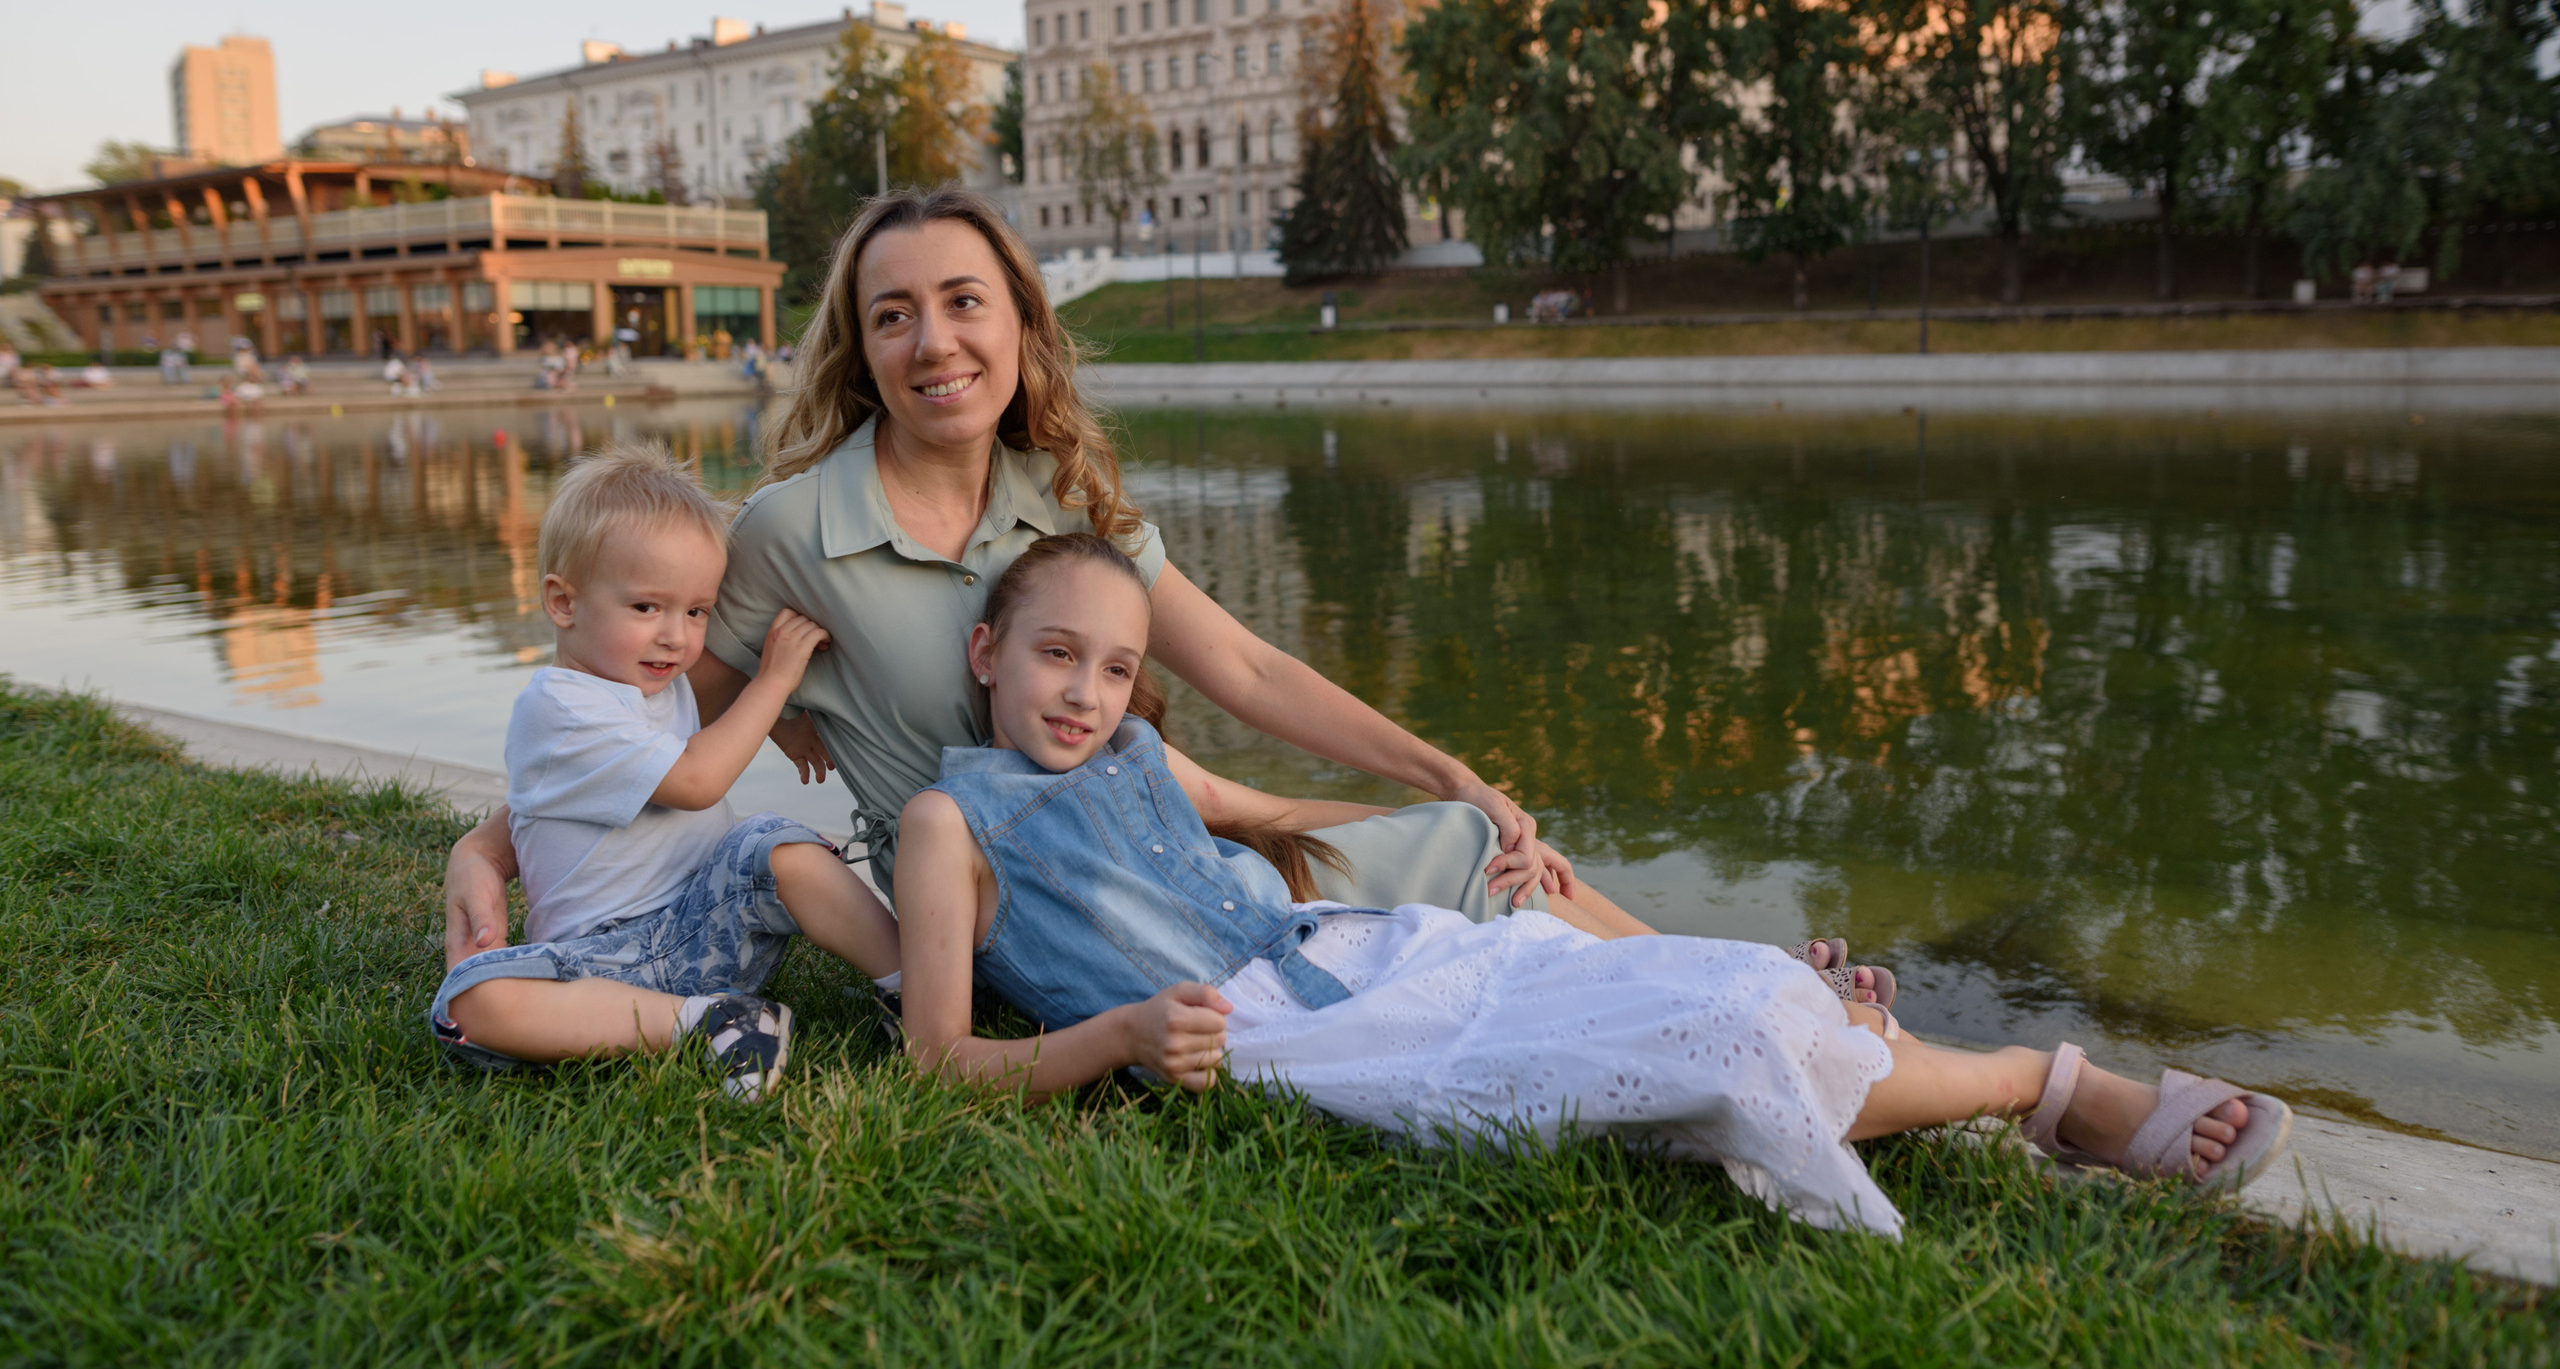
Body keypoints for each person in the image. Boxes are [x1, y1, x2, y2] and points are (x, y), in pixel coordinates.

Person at [442, 189, 1886, 997]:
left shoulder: (1062, 508)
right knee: (1432, 881)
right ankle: (1763, 1001)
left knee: (1462, 837)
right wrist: (490, 851)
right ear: (861, 346)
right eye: (895, 314)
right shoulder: (780, 534)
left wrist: (1448, 759)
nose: (934, 341)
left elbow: (1249, 671)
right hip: (1014, 912)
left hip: (1154, 845)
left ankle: (1747, 985)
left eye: (965, 303)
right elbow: (635, 719)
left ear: (1018, 325)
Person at [895, 534, 2296, 1238]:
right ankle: (2035, 1086)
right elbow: (941, 1064)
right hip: (1274, 1032)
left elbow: (1270, 813)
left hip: (1375, 945)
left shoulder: (1142, 751)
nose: (1086, 691)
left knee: (1715, 979)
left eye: (1117, 665)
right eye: (1053, 655)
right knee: (1716, 1041)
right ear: (984, 657)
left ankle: (2031, 1088)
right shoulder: (951, 821)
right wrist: (1120, 1042)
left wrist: (1457, 811)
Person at [426, 439, 900, 1098]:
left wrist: (784, 722)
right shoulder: (559, 705)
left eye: (696, 610)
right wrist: (776, 678)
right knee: (470, 1002)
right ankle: (708, 1022)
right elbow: (696, 778)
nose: (676, 635)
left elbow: (697, 737)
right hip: (604, 962)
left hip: (708, 925)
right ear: (563, 603)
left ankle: (913, 982)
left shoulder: (656, 684)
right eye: (647, 607)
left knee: (777, 844)